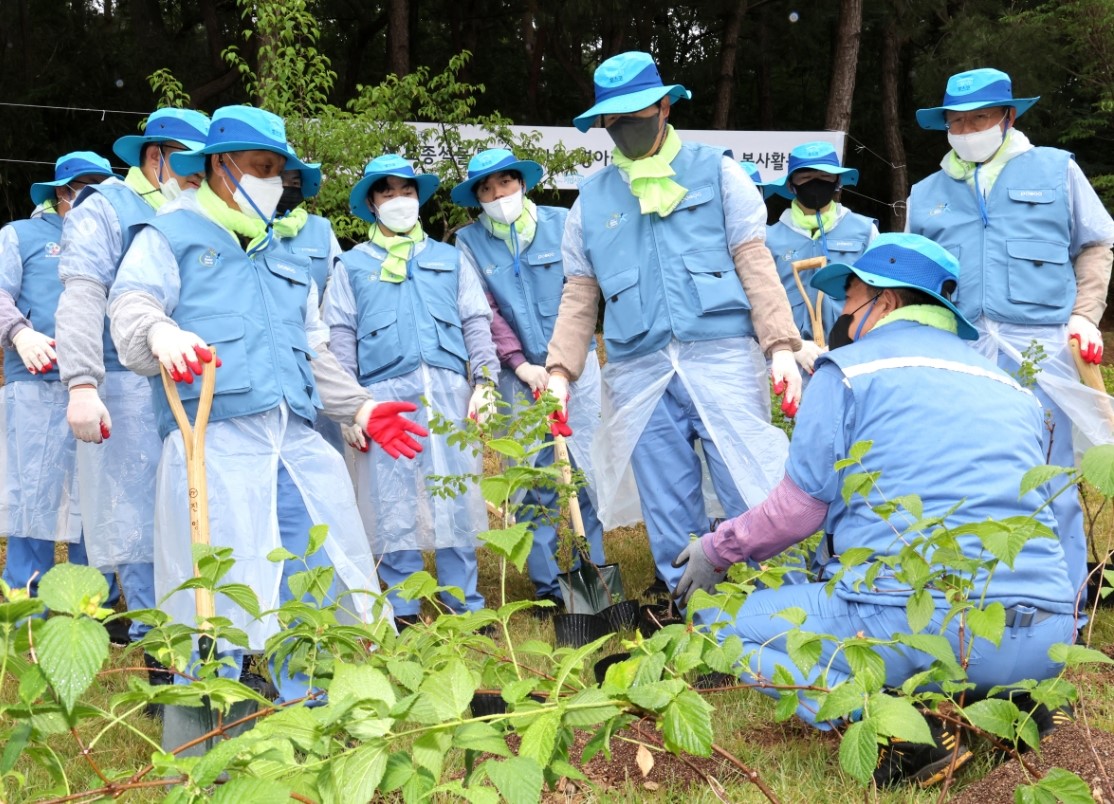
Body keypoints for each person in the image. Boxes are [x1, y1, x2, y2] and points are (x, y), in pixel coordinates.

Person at [672, 233, 1077, 786]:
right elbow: (1056, 514)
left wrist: (716, 550)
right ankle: (1012, 705)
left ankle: (899, 734)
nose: (842, 315)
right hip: (1047, 635)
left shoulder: (849, 371)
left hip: (915, 617)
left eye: (850, 299)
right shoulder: (1013, 388)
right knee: (985, 638)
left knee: (713, 628)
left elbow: (797, 511)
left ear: (885, 303)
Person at [107, 106, 426, 699]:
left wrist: (357, 407)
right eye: (261, 167)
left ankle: (308, 704)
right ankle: (215, 716)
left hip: (291, 444)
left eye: (280, 171)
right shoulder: (169, 237)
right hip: (213, 443)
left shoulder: (283, 254)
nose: (273, 183)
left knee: (305, 574)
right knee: (217, 589)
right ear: (217, 168)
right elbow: (129, 309)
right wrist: (161, 333)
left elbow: (313, 350)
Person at [544, 50, 802, 596]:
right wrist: (561, 373)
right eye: (614, 121)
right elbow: (579, 294)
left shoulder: (718, 172)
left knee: (747, 479)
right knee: (667, 499)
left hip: (722, 355)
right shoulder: (590, 202)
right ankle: (696, 614)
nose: (626, 128)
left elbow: (753, 260)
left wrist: (780, 343)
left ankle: (775, 606)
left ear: (665, 106)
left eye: (636, 114)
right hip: (638, 367)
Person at [907, 68, 1114, 609]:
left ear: (1008, 117)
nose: (967, 128)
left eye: (978, 118)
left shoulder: (1056, 170)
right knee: (960, 471)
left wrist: (1085, 315)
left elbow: (1096, 246)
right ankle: (975, 597)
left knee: (1049, 474)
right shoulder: (926, 193)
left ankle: (1064, 601)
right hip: (959, 350)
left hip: (1042, 344)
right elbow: (913, 283)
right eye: (956, 121)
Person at [54, 108, 211, 647]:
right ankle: (156, 645)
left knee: (187, 508)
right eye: (188, 172)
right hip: (122, 382)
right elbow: (81, 294)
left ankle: (200, 632)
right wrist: (81, 383)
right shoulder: (105, 209)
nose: (198, 184)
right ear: (154, 157)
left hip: (188, 380)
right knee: (135, 519)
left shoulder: (196, 213)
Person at [322, 154, 497, 628]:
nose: (398, 200)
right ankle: (403, 607)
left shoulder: (449, 258)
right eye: (387, 192)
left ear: (418, 197)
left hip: (448, 393)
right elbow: (339, 339)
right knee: (392, 498)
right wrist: (350, 411)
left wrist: (485, 381)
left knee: (456, 491)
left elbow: (475, 323)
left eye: (406, 191)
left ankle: (465, 604)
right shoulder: (352, 266)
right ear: (372, 203)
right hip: (384, 399)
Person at [452, 147, 606, 614]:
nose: (498, 194)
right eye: (486, 188)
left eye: (505, 183)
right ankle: (546, 585)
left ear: (522, 182)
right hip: (515, 375)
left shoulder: (563, 223)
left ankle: (593, 571)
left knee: (586, 470)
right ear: (477, 197)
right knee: (532, 476)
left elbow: (582, 291)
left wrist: (561, 364)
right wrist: (520, 364)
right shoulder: (468, 243)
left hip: (575, 367)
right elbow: (484, 311)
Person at [0, 152, 119, 601]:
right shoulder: (21, 235)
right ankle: (26, 605)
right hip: (37, 385)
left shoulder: (116, 237)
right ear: (60, 194)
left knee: (97, 499)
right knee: (35, 497)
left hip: (101, 385)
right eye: (82, 189)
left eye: (100, 189)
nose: (90, 199)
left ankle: (92, 606)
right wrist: (18, 332)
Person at [765, 142, 878, 376]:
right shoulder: (770, 238)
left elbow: (880, 294)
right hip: (793, 360)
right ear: (791, 185)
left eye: (825, 176)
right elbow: (762, 301)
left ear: (837, 182)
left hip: (854, 355)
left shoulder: (865, 231)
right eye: (805, 177)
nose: (815, 183)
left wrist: (850, 339)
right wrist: (792, 346)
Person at [274, 156, 346, 453]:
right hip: (270, 349)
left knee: (324, 446)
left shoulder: (320, 229)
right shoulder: (249, 226)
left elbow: (336, 284)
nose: (288, 187)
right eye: (282, 179)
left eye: (295, 182)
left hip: (314, 348)